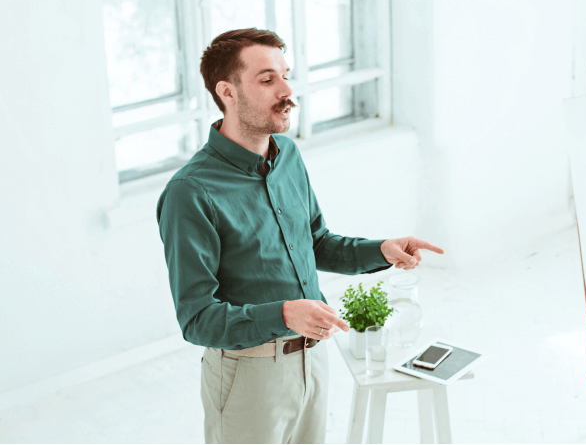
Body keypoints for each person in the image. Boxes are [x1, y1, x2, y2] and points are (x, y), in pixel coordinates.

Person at [156, 28, 445, 444]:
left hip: (313, 360)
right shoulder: (190, 193)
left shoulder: (287, 155)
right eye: (267, 79)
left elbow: (315, 242)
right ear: (228, 92)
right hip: (247, 377)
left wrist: (381, 250)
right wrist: (285, 314)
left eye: (285, 75)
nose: (288, 90)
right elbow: (197, 319)